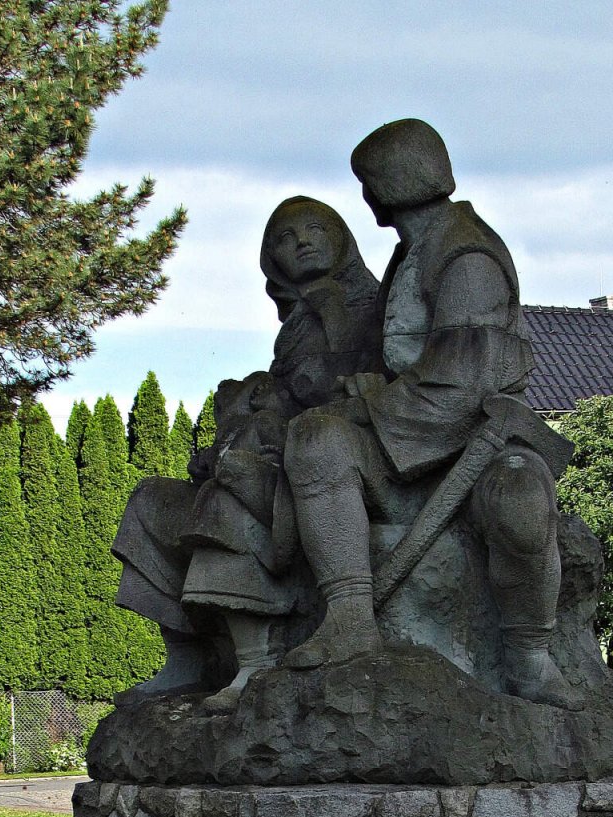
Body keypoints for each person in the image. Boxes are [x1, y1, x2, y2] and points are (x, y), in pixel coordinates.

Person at [280, 118, 580, 708]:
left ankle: (529, 658)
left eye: (368, 183)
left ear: (386, 186)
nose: (366, 197)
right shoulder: (411, 252)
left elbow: (464, 380)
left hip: (477, 438)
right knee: (316, 439)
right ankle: (349, 618)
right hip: (411, 432)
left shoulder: (466, 255)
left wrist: (372, 407)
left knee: (520, 499)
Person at [112, 197, 380, 708]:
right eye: (286, 237)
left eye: (315, 229)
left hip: (326, 466)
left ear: (342, 238)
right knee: (150, 499)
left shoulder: (374, 306)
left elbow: (364, 389)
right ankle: (187, 657)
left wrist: (335, 318)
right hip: (277, 456)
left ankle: (255, 661)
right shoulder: (294, 327)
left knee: (225, 498)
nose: (302, 242)